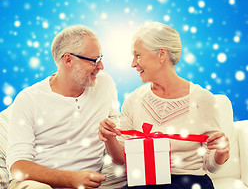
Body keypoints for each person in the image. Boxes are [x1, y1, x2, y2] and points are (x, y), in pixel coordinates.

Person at [98, 22, 230, 189]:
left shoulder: (202, 99)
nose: (133, 63)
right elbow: (121, 160)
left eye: (138, 55)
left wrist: (221, 152)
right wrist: (109, 138)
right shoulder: (134, 99)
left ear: (161, 54)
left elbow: (212, 165)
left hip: (189, 183)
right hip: (145, 183)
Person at [7, 25, 120, 189]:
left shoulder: (104, 84)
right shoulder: (28, 99)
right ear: (68, 60)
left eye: (101, 58)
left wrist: (110, 134)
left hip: (88, 183)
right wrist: (71, 179)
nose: (101, 66)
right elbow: (18, 167)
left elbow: (116, 142)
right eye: (94, 60)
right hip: (39, 183)